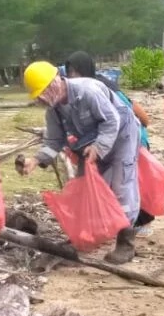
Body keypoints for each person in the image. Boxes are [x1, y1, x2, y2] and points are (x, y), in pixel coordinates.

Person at [20, 62, 144, 264]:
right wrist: (36, 160)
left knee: (122, 185)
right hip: (92, 142)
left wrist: (99, 147)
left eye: (42, 93)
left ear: (54, 82)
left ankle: (126, 243)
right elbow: (54, 140)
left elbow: (112, 120)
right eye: (37, 96)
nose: (40, 99)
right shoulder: (54, 110)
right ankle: (84, 235)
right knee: (82, 188)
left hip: (122, 135)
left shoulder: (87, 91)